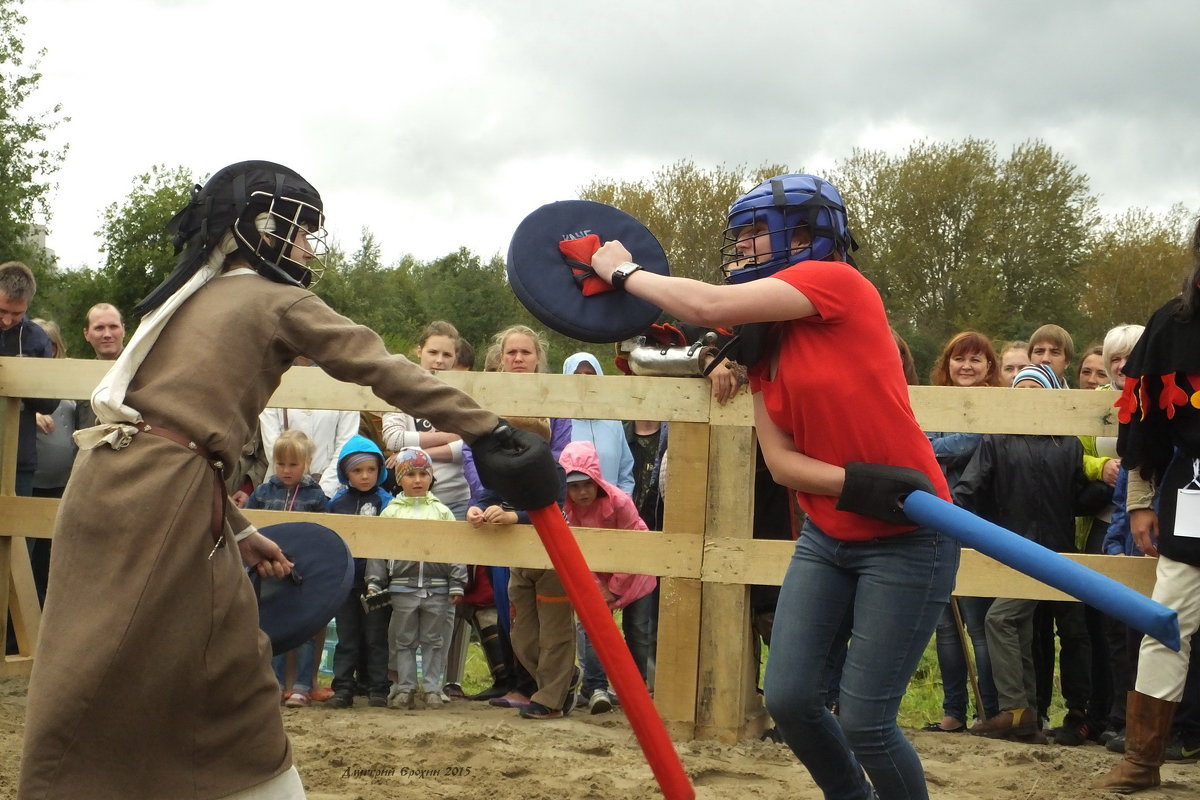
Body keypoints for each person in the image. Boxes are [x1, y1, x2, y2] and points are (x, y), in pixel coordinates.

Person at [17, 161, 545, 800]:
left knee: (205, 657)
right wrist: (489, 429)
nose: (306, 248)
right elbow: (380, 366)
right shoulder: (274, 298)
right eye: (298, 232)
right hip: (158, 497)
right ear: (261, 227)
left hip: (119, 484)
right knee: (118, 671)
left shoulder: (189, 296)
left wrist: (238, 528)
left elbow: (168, 429)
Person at [589, 173, 956, 800]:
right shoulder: (766, 348)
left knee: (867, 722)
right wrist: (857, 483)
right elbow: (782, 463)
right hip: (830, 532)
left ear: (808, 235)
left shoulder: (839, 283)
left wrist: (621, 272)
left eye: (758, 232)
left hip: (909, 536)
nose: (746, 247)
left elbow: (705, 306)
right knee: (788, 699)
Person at [1095, 223, 1200, 791]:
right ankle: (1144, 757)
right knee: (1168, 619)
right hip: (1194, 488)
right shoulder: (1174, 323)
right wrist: (1139, 501)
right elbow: (1143, 419)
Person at [954, 364, 1108, 743]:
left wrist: (1110, 487)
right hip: (1020, 551)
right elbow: (969, 490)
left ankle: (1023, 711)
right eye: (1019, 389)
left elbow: (1074, 499)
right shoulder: (999, 440)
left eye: (1034, 389)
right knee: (1018, 627)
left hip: (1048, 554)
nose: (1027, 397)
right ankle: (1028, 714)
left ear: (1052, 395)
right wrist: (967, 527)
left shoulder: (1067, 444)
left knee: (1007, 622)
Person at [468, 416, 580, 721]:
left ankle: (550, 700)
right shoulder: (503, 471)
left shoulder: (553, 471)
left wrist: (513, 517)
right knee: (522, 635)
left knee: (555, 631)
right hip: (520, 562)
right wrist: (476, 510)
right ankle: (562, 679)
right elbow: (487, 495)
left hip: (552, 561)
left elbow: (552, 511)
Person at [923, 331, 1001, 733]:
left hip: (973, 524)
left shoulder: (993, 405)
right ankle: (954, 710)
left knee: (978, 624)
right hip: (934, 524)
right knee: (945, 628)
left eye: (976, 359)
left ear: (990, 368)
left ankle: (988, 710)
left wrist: (924, 446)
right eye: (959, 359)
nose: (966, 366)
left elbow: (970, 441)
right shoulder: (934, 402)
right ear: (947, 363)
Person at [559, 440, 656, 713]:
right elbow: (575, 554)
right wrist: (597, 588)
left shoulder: (619, 502)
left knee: (637, 630)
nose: (581, 493)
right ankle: (596, 687)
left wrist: (613, 588)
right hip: (596, 578)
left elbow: (633, 547)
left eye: (587, 484)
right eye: (574, 486)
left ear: (597, 479)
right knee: (593, 628)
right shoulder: (567, 512)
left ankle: (635, 688)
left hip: (635, 573)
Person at [366, 447, 465, 710]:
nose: (418, 480)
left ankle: (432, 688)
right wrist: (375, 580)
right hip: (402, 586)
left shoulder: (442, 512)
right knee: (403, 640)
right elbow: (378, 548)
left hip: (437, 587)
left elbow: (455, 548)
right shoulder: (391, 512)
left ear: (431, 477)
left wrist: (457, 581)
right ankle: (405, 687)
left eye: (423, 473)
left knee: (434, 640)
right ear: (399, 479)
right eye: (410, 474)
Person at [245, 429, 330, 708]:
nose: (286, 470)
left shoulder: (317, 497)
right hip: (268, 571)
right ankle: (275, 683)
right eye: (281, 463)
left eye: (293, 464)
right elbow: (250, 529)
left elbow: (324, 533)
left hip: (302, 572)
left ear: (306, 463)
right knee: (273, 629)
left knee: (305, 631)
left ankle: (302, 686)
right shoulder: (262, 492)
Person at [325, 434, 395, 710]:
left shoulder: (388, 503)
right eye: (357, 470)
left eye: (371, 470)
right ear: (345, 473)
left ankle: (378, 688)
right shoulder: (336, 504)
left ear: (380, 471)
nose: (365, 476)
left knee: (376, 637)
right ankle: (343, 688)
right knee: (347, 637)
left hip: (378, 584)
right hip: (346, 581)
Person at [29, 319, 77, 605]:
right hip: (28, 484)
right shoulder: (18, 377)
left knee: (52, 561)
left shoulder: (71, 377)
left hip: (63, 486)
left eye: (49, 346)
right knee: (25, 557)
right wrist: (28, 414)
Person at [75, 303, 126, 430]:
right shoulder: (80, 376)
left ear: (123, 330)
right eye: (99, 328)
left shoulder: (143, 369)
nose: (107, 334)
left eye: (113, 326)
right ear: (86, 334)